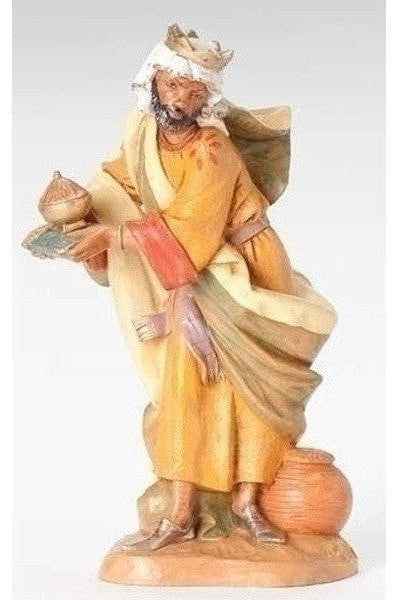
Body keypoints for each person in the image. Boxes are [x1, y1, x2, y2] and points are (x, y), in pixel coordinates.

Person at [68, 24, 337, 550]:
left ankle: (246, 502)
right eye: (172, 86)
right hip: (190, 268)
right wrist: (82, 212)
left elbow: (193, 227)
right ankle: (180, 512)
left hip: (244, 265)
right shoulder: (143, 134)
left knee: (250, 386)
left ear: (206, 99)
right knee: (184, 383)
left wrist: (116, 237)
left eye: (194, 93)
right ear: (152, 83)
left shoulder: (212, 150)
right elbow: (118, 182)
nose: (180, 102)